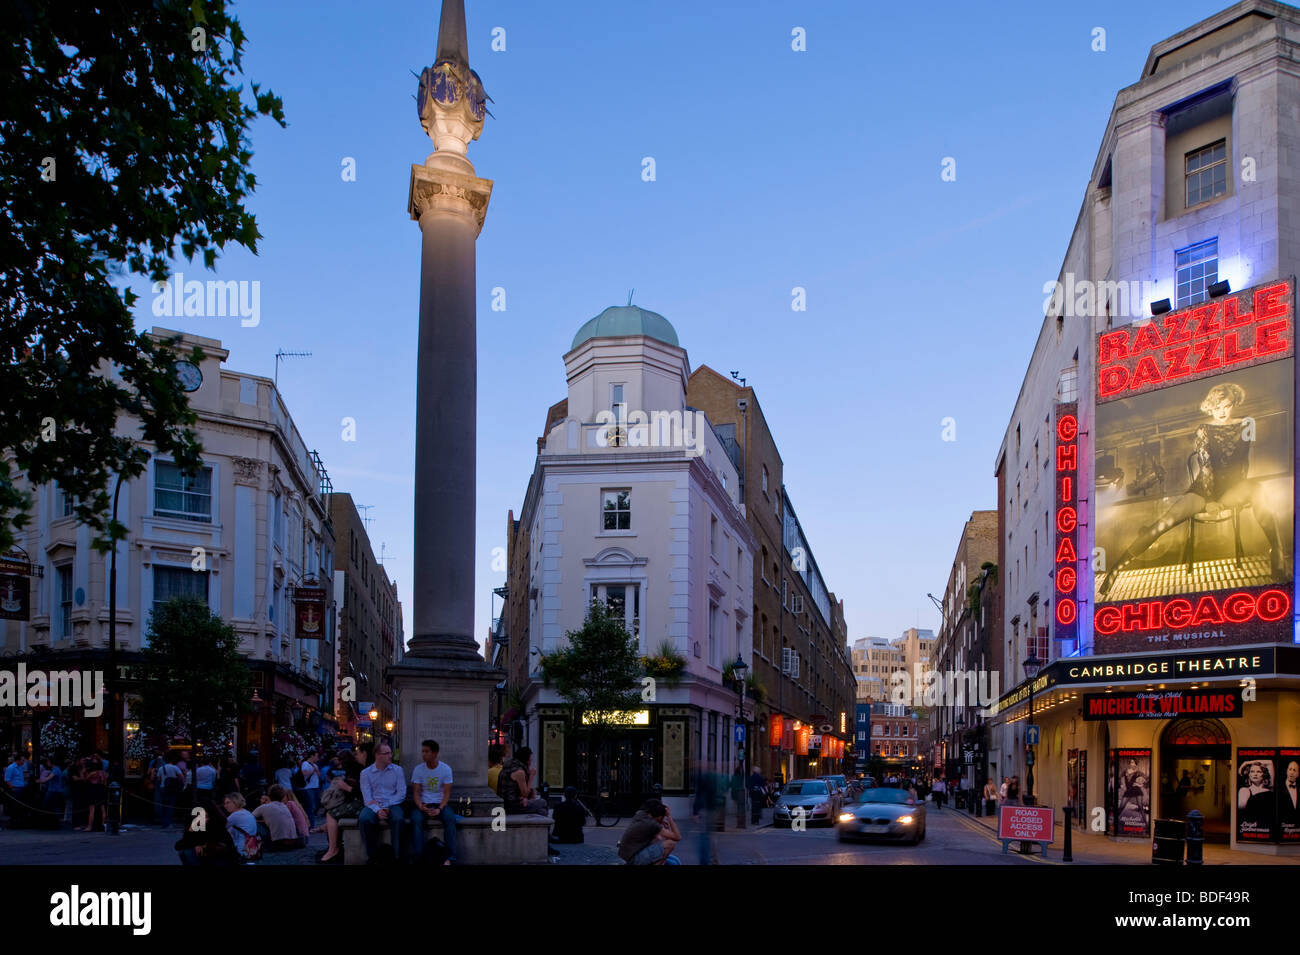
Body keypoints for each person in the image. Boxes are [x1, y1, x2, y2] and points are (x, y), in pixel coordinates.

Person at [1098, 381, 1289, 598]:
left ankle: (1278, 552)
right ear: (1210, 407)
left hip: (1233, 487)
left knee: (1258, 491)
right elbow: (1206, 467)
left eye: (1226, 406)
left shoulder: (1247, 424)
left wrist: (1240, 491)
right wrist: (1209, 501)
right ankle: (1116, 567)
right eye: (1217, 408)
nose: (1222, 412)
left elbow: (1244, 463)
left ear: (1234, 402)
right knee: (1163, 523)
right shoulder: (1203, 430)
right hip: (1204, 489)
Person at [411, 739, 459, 864]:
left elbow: (447, 793)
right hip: (424, 803)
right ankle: (419, 857)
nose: (423, 754)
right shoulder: (418, 769)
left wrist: (440, 808)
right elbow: (416, 792)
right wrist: (420, 806)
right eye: (422, 751)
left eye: (426, 751)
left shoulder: (445, 769)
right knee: (416, 820)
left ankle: (450, 857)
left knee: (450, 819)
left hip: (439, 804)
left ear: (435, 753)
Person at [359, 742, 408, 862]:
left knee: (398, 819)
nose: (390, 756)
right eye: (386, 753)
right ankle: (372, 856)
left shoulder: (397, 770)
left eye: (390, 753)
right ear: (377, 755)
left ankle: (396, 857)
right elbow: (367, 798)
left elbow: (401, 793)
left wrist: (386, 807)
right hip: (373, 804)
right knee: (364, 819)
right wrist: (378, 810)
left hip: (393, 803)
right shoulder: (365, 773)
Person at [317, 751, 364, 864]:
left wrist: (346, 787)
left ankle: (333, 849)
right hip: (354, 801)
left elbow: (361, 793)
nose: (356, 756)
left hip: (359, 803)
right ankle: (334, 848)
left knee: (331, 814)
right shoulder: (353, 769)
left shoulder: (357, 770)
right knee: (331, 814)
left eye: (358, 754)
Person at [618, 798, 682, 865]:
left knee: (674, 861)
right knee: (670, 844)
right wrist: (668, 817)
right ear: (659, 816)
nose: (663, 819)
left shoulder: (641, 814)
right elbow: (677, 837)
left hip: (626, 856)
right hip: (632, 860)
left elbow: (658, 839)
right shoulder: (651, 824)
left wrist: (661, 822)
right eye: (663, 817)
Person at [254, 785, 307, 851]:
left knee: (254, 823)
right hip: (293, 842)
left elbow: (249, 817)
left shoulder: (264, 807)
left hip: (277, 843)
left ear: (269, 795)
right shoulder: (284, 806)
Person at [497, 746, 548, 815]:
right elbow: (525, 794)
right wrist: (531, 776)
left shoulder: (508, 766)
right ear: (526, 760)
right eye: (530, 760)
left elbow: (515, 790)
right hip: (513, 806)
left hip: (505, 803)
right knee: (543, 802)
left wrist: (525, 798)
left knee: (541, 810)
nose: (530, 762)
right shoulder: (519, 772)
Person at [223, 792, 261, 862]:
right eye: (225, 803)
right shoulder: (247, 812)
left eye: (228, 803)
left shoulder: (235, 815)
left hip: (241, 851)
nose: (225, 806)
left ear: (235, 802)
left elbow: (220, 828)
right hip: (252, 849)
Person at [1237, 760, 1274, 830]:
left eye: (1258, 771)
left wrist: (1246, 763)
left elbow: (1270, 762)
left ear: (1264, 774)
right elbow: (1241, 811)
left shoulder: (1270, 788)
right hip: (1253, 827)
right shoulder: (1245, 790)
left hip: (1267, 827)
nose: (1255, 774)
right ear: (1249, 775)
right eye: (1252, 771)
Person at [38, 757, 67, 829]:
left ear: (51, 762)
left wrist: (39, 781)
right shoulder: (56, 769)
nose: (47, 763)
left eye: (48, 762)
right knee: (55, 807)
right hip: (56, 790)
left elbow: (48, 779)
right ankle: (55, 823)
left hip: (54, 791)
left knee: (48, 806)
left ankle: (54, 823)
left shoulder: (56, 770)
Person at [3, 752, 30, 827]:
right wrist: (12, 788)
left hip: (21, 788)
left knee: (20, 807)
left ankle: (19, 822)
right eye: (22, 760)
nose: (23, 762)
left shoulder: (20, 767)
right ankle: (13, 823)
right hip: (15, 789)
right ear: (17, 760)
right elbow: (7, 780)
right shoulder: (11, 768)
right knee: (15, 807)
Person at [296, 749, 322, 823]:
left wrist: (315, 770)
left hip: (316, 787)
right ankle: (310, 824)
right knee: (310, 807)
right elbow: (304, 773)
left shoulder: (315, 765)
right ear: (312, 756)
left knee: (315, 805)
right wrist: (313, 770)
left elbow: (319, 775)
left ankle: (311, 822)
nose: (318, 758)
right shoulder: (305, 764)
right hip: (309, 788)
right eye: (316, 756)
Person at [158, 752, 183, 827]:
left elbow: (158, 779)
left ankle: (164, 822)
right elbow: (181, 777)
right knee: (171, 805)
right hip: (172, 788)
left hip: (163, 787)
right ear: (172, 760)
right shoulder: (175, 767)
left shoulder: (161, 768)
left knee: (163, 805)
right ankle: (169, 822)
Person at [84, 756, 107, 832]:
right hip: (102, 790)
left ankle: (89, 826)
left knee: (92, 809)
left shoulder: (92, 773)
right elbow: (105, 783)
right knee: (102, 808)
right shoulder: (104, 773)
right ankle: (103, 825)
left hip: (93, 790)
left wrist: (85, 771)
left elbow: (85, 779)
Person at [1279, 760, 1300, 830]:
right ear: (1287, 771)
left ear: (1298, 774)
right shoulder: (1278, 788)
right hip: (1282, 828)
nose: (1291, 772)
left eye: (1294, 770)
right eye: (1290, 769)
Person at [147, 750, 167, 825]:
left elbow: (148, 772)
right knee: (162, 799)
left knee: (156, 799)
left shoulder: (152, 762)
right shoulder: (164, 762)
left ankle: (156, 817)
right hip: (163, 782)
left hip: (154, 782)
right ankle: (161, 816)